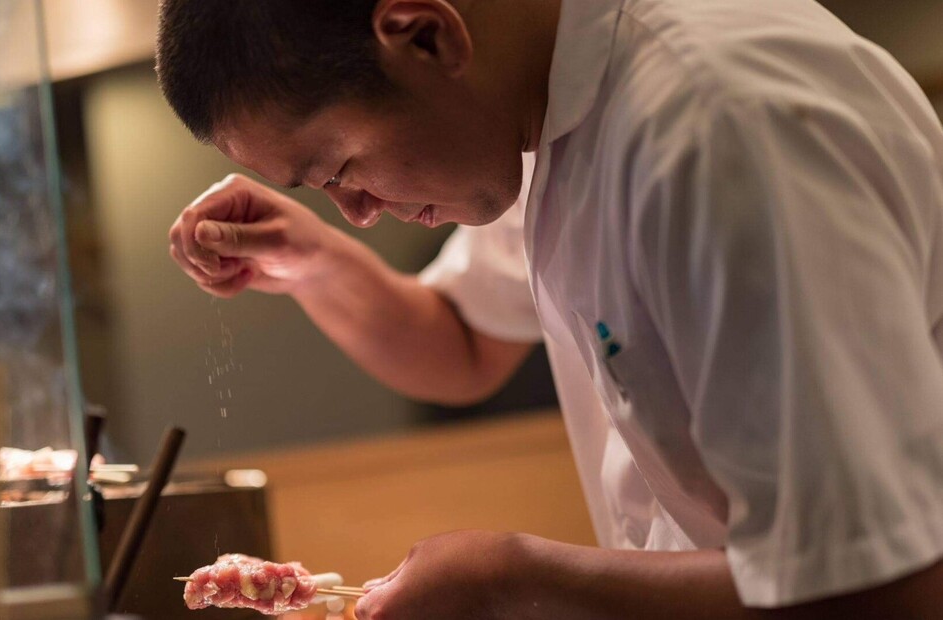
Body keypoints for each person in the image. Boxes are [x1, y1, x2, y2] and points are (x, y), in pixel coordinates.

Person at [155, 0, 943, 617]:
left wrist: (522, 581)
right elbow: (464, 343)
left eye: (338, 167)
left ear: (425, 36)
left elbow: (882, 591)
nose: (356, 211)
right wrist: (314, 264)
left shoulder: (718, 133)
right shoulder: (533, 109)